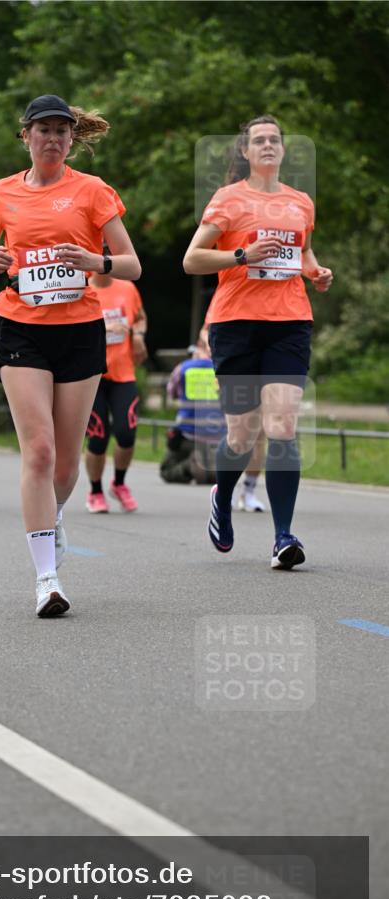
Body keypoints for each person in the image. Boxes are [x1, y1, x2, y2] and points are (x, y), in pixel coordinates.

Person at [0, 94, 141, 616]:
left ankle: (54, 514)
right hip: (21, 328)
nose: (54, 139)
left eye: (62, 131)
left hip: (81, 330)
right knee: (38, 453)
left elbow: (132, 265)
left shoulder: (93, 191)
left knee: (65, 467)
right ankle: (47, 579)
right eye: (44, 130)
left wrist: (95, 258)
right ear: (26, 136)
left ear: (71, 139)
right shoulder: (2, 193)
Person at [183, 114, 333, 569]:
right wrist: (241, 255)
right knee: (242, 435)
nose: (268, 146)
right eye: (259, 141)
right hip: (236, 324)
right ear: (245, 152)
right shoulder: (228, 199)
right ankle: (223, 496)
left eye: (275, 140)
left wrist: (316, 272)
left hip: (289, 321)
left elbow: (302, 251)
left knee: (283, 426)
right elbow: (192, 260)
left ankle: (283, 537)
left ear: (283, 150)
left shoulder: (300, 202)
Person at [84, 268, 147, 512]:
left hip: (123, 373)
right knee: (98, 437)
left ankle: (119, 484)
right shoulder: (82, 288)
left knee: (126, 433)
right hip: (91, 376)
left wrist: (138, 335)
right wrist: (101, 331)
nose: (105, 260)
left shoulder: (127, 288)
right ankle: (95, 490)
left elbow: (140, 317)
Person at [160, 326, 225, 485]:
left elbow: (172, 392)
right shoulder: (224, 369)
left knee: (166, 471)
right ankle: (214, 471)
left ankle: (190, 466)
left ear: (198, 346)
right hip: (219, 436)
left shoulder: (183, 368)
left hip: (189, 434)